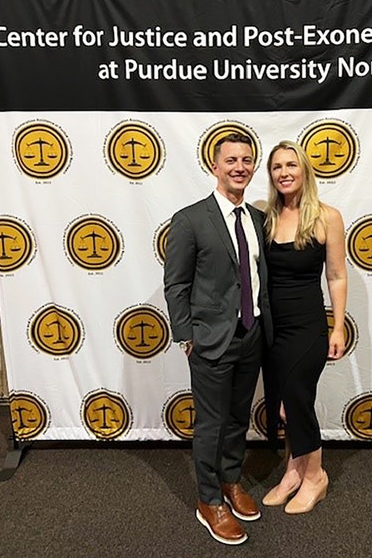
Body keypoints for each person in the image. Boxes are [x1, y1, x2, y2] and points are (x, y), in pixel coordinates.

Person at [163, 132, 273, 545]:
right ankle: (209, 500)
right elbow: (176, 284)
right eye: (231, 160)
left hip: (251, 335)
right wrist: (186, 336)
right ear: (215, 167)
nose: (239, 167)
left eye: (246, 160)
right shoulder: (190, 219)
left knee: (238, 418)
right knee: (211, 423)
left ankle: (230, 480)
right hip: (210, 340)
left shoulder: (258, 220)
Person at [259, 140, 347, 514]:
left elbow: (337, 276)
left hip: (308, 326)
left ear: (305, 170)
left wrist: (337, 327)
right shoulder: (265, 217)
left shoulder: (327, 217)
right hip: (271, 329)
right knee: (282, 403)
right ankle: (292, 472)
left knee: (295, 400)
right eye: (277, 167)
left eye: (291, 165)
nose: (284, 172)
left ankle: (315, 476)